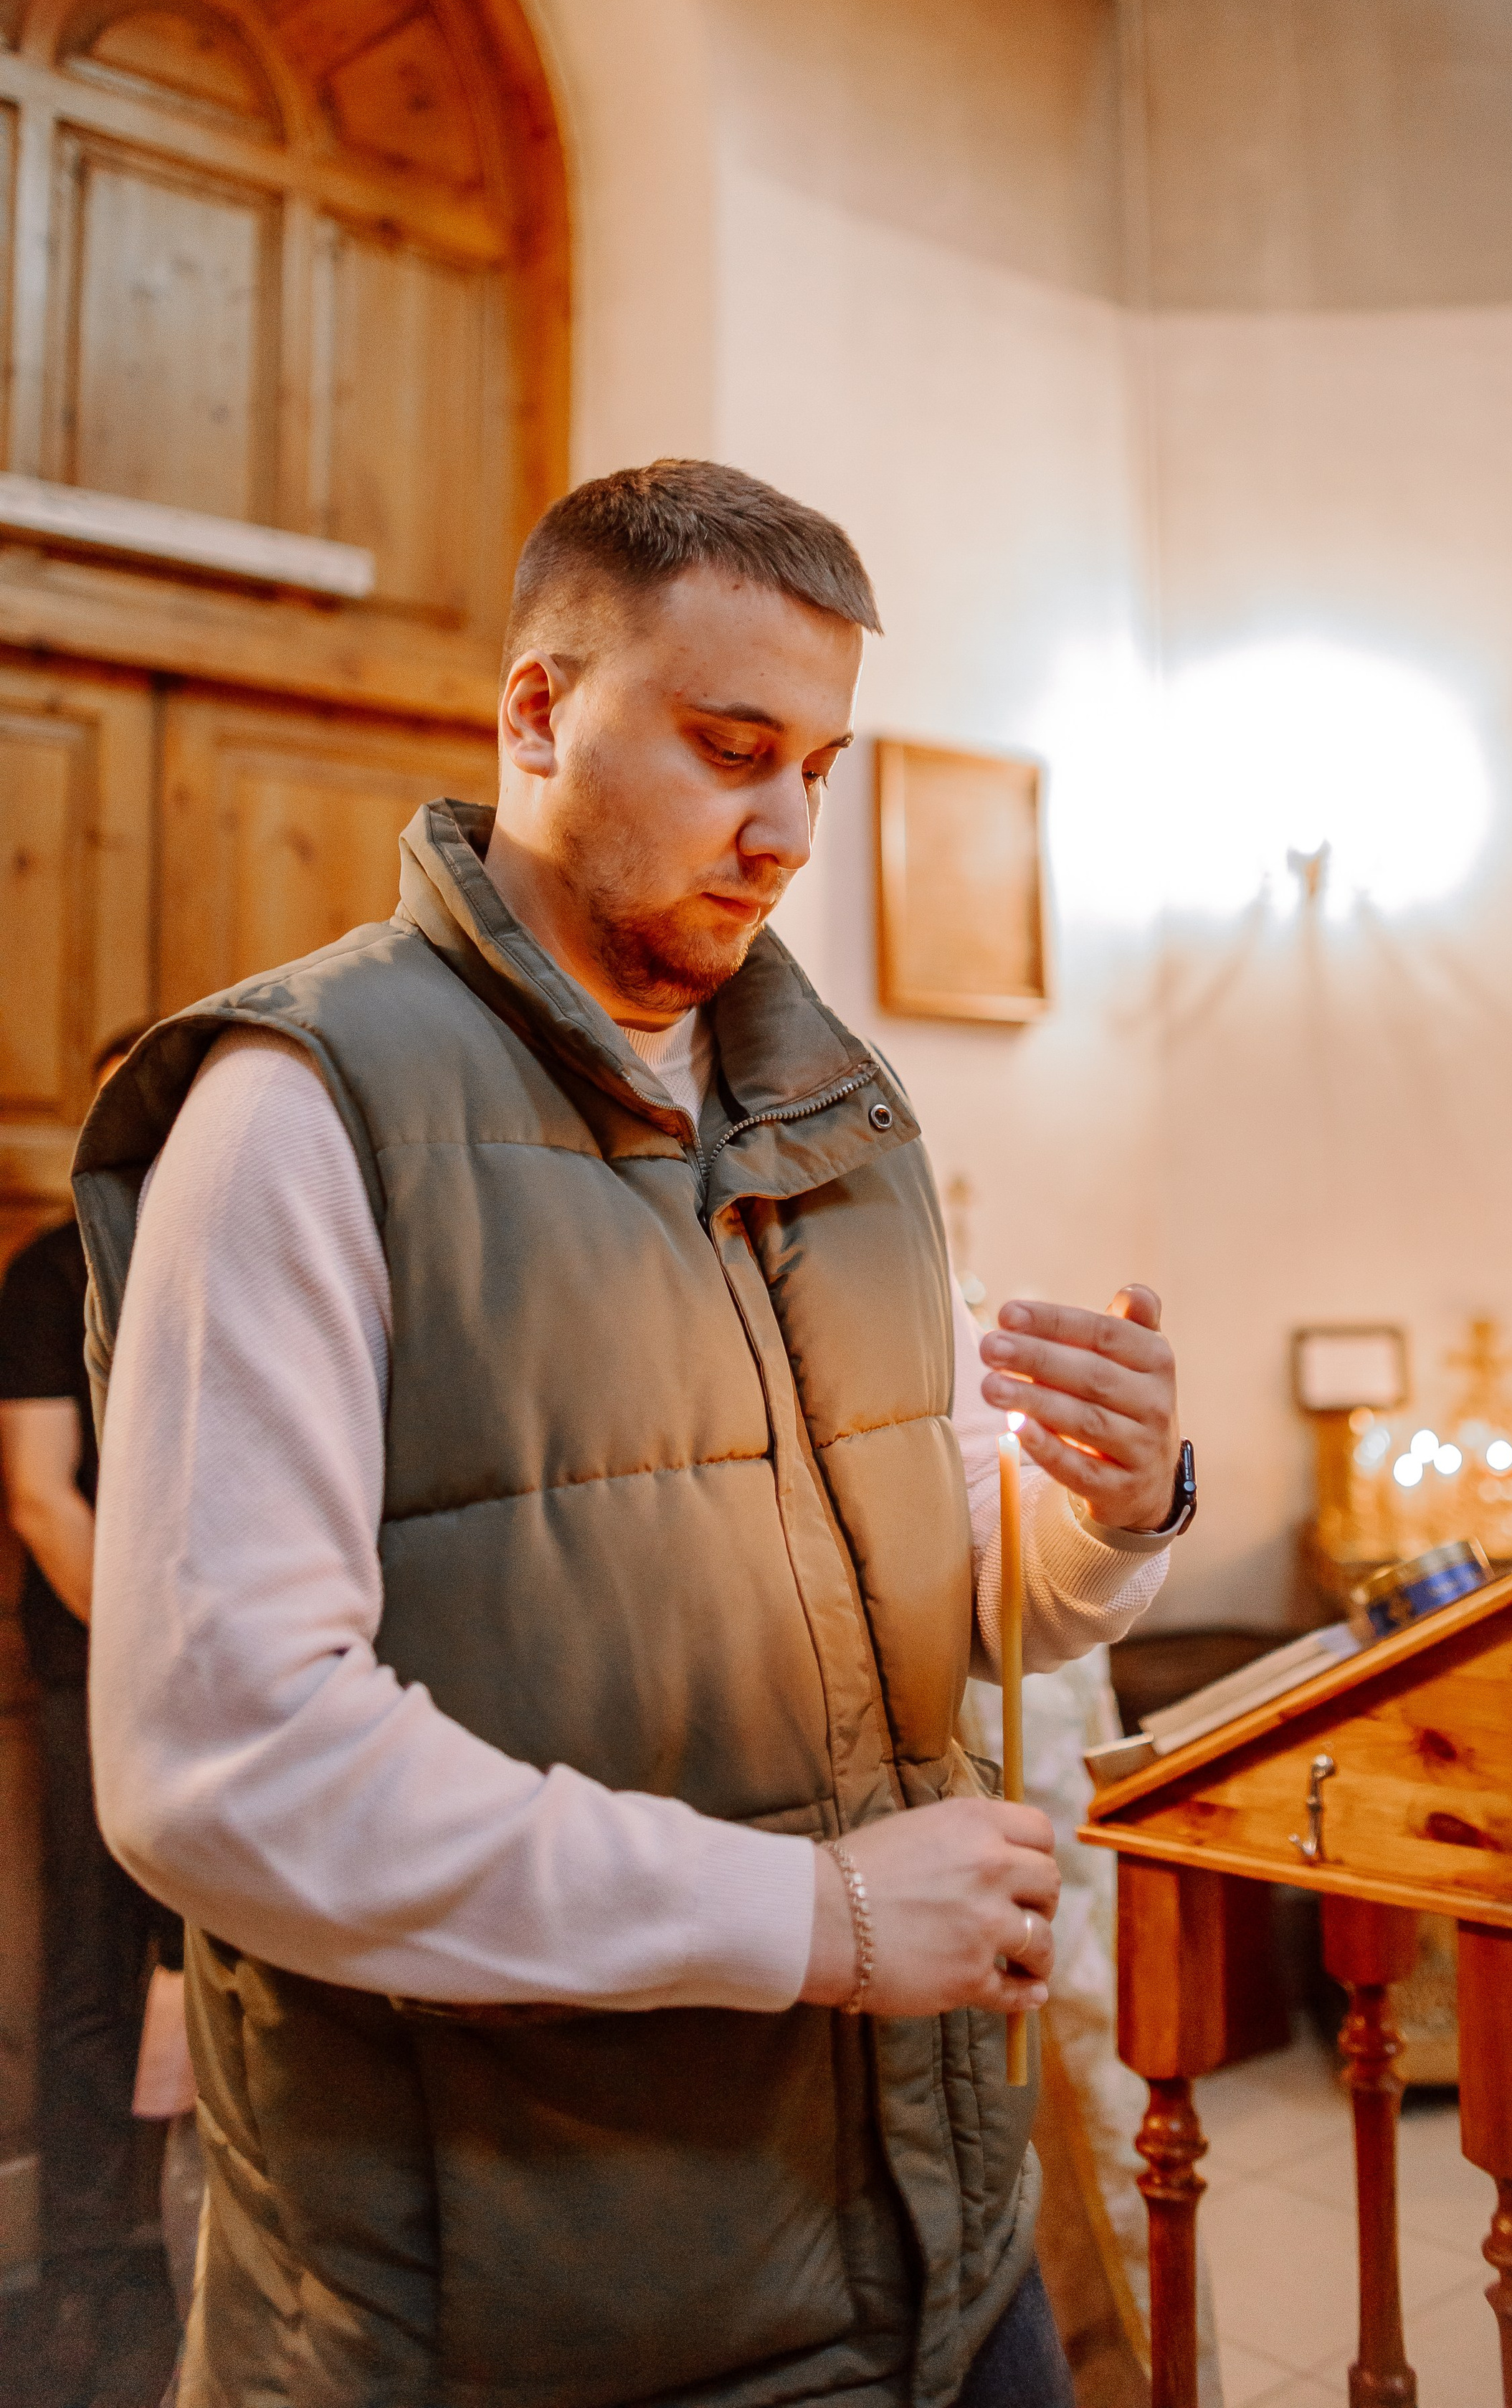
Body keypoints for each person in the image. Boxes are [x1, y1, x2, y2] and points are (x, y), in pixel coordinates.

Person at [75, 461, 1195, 2408]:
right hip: (523, 2307)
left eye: (822, 769)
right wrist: (820, 1919)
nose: (785, 832)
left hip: (930, 2243)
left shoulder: (835, 1118)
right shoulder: (298, 1108)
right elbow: (222, 1762)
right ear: (535, 712)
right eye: (730, 746)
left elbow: (923, 1584)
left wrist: (1108, 1508)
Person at [0, 1025, 184, 2397]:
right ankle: (80, 2270)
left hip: (245, 1674)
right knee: (87, 1983)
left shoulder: (239, 1256)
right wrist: (151, 1646)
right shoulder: (44, 1271)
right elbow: (40, 1493)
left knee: (222, 1970)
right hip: (92, 1670)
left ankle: (202, 2258)